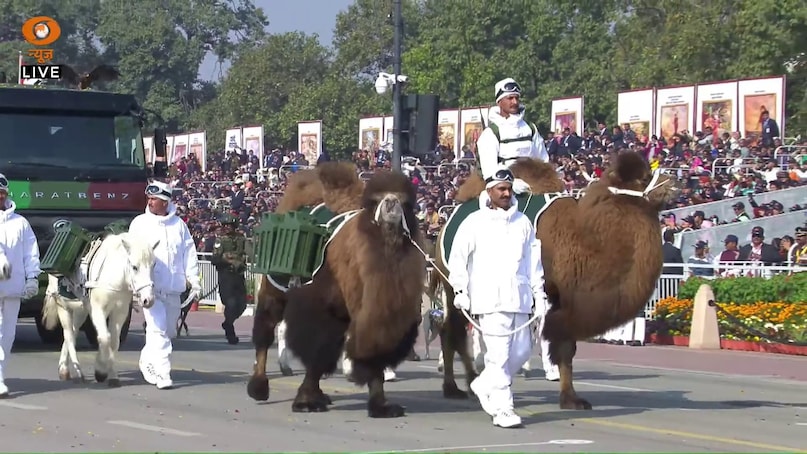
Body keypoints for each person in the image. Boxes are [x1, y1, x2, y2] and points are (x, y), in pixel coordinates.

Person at [447, 165, 547, 428]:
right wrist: (460, 290)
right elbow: (458, 259)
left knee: (523, 352)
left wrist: (540, 294)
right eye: (500, 189)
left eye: (508, 189)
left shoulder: (523, 223)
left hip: (520, 297)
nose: (505, 193)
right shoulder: (474, 222)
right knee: (499, 355)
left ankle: (484, 383)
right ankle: (504, 408)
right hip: (488, 298)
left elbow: (532, 262)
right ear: (489, 191)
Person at [129, 180, 201, 390]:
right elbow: (132, 260)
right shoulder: (139, 223)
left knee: (168, 332)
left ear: (165, 201)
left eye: (155, 199)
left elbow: (189, 254)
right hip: (151, 290)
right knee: (158, 330)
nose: (150, 202)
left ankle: (146, 358)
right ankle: (163, 373)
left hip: (174, 289)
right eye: (149, 198)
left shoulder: (179, 225)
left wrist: (194, 281)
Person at [0, 173, 41, 398]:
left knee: (8, 336)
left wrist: (33, 277)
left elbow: (30, 253)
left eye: (1, 193)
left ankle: (1, 376)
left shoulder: (20, 223)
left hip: (13, 289)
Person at [475, 78, 549, 194]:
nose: (514, 102)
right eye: (510, 98)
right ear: (499, 102)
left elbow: (543, 160)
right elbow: (489, 170)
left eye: (517, 98)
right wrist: (511, 183)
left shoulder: (530, 128)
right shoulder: (491, 133)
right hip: (504, 189)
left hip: (533, 185)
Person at [210, 212, 247, 344]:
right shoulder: (220, 240)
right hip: (226, 276)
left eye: (230, 225)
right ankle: (230, 331)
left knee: (242, 304)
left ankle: (228, 322)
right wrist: (228, 261)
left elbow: (247, 252)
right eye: (225, 225)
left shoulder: (241, 239)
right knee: (230, 304)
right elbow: (214, 259)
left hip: (238, 276)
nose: (227, 228)